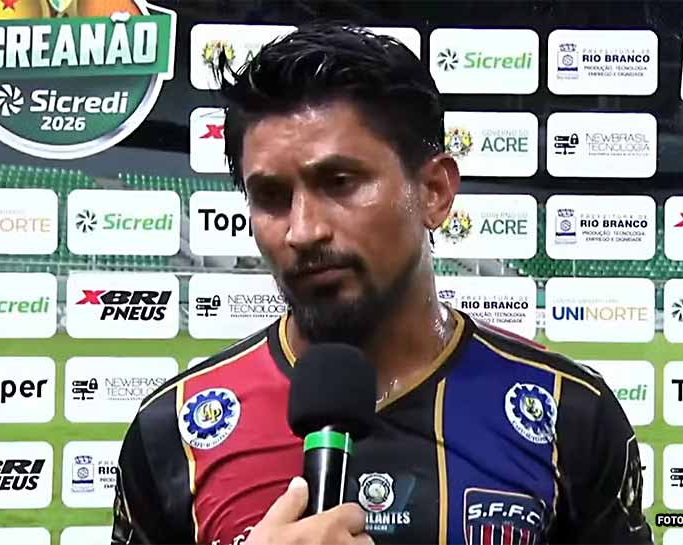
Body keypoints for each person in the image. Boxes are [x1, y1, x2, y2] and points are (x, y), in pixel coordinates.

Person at [111, 22, 653, 545]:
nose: (303, 230)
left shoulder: (568, 413)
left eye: (340, 183)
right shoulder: (174, 428)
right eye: (272, 197)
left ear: (435, 191)